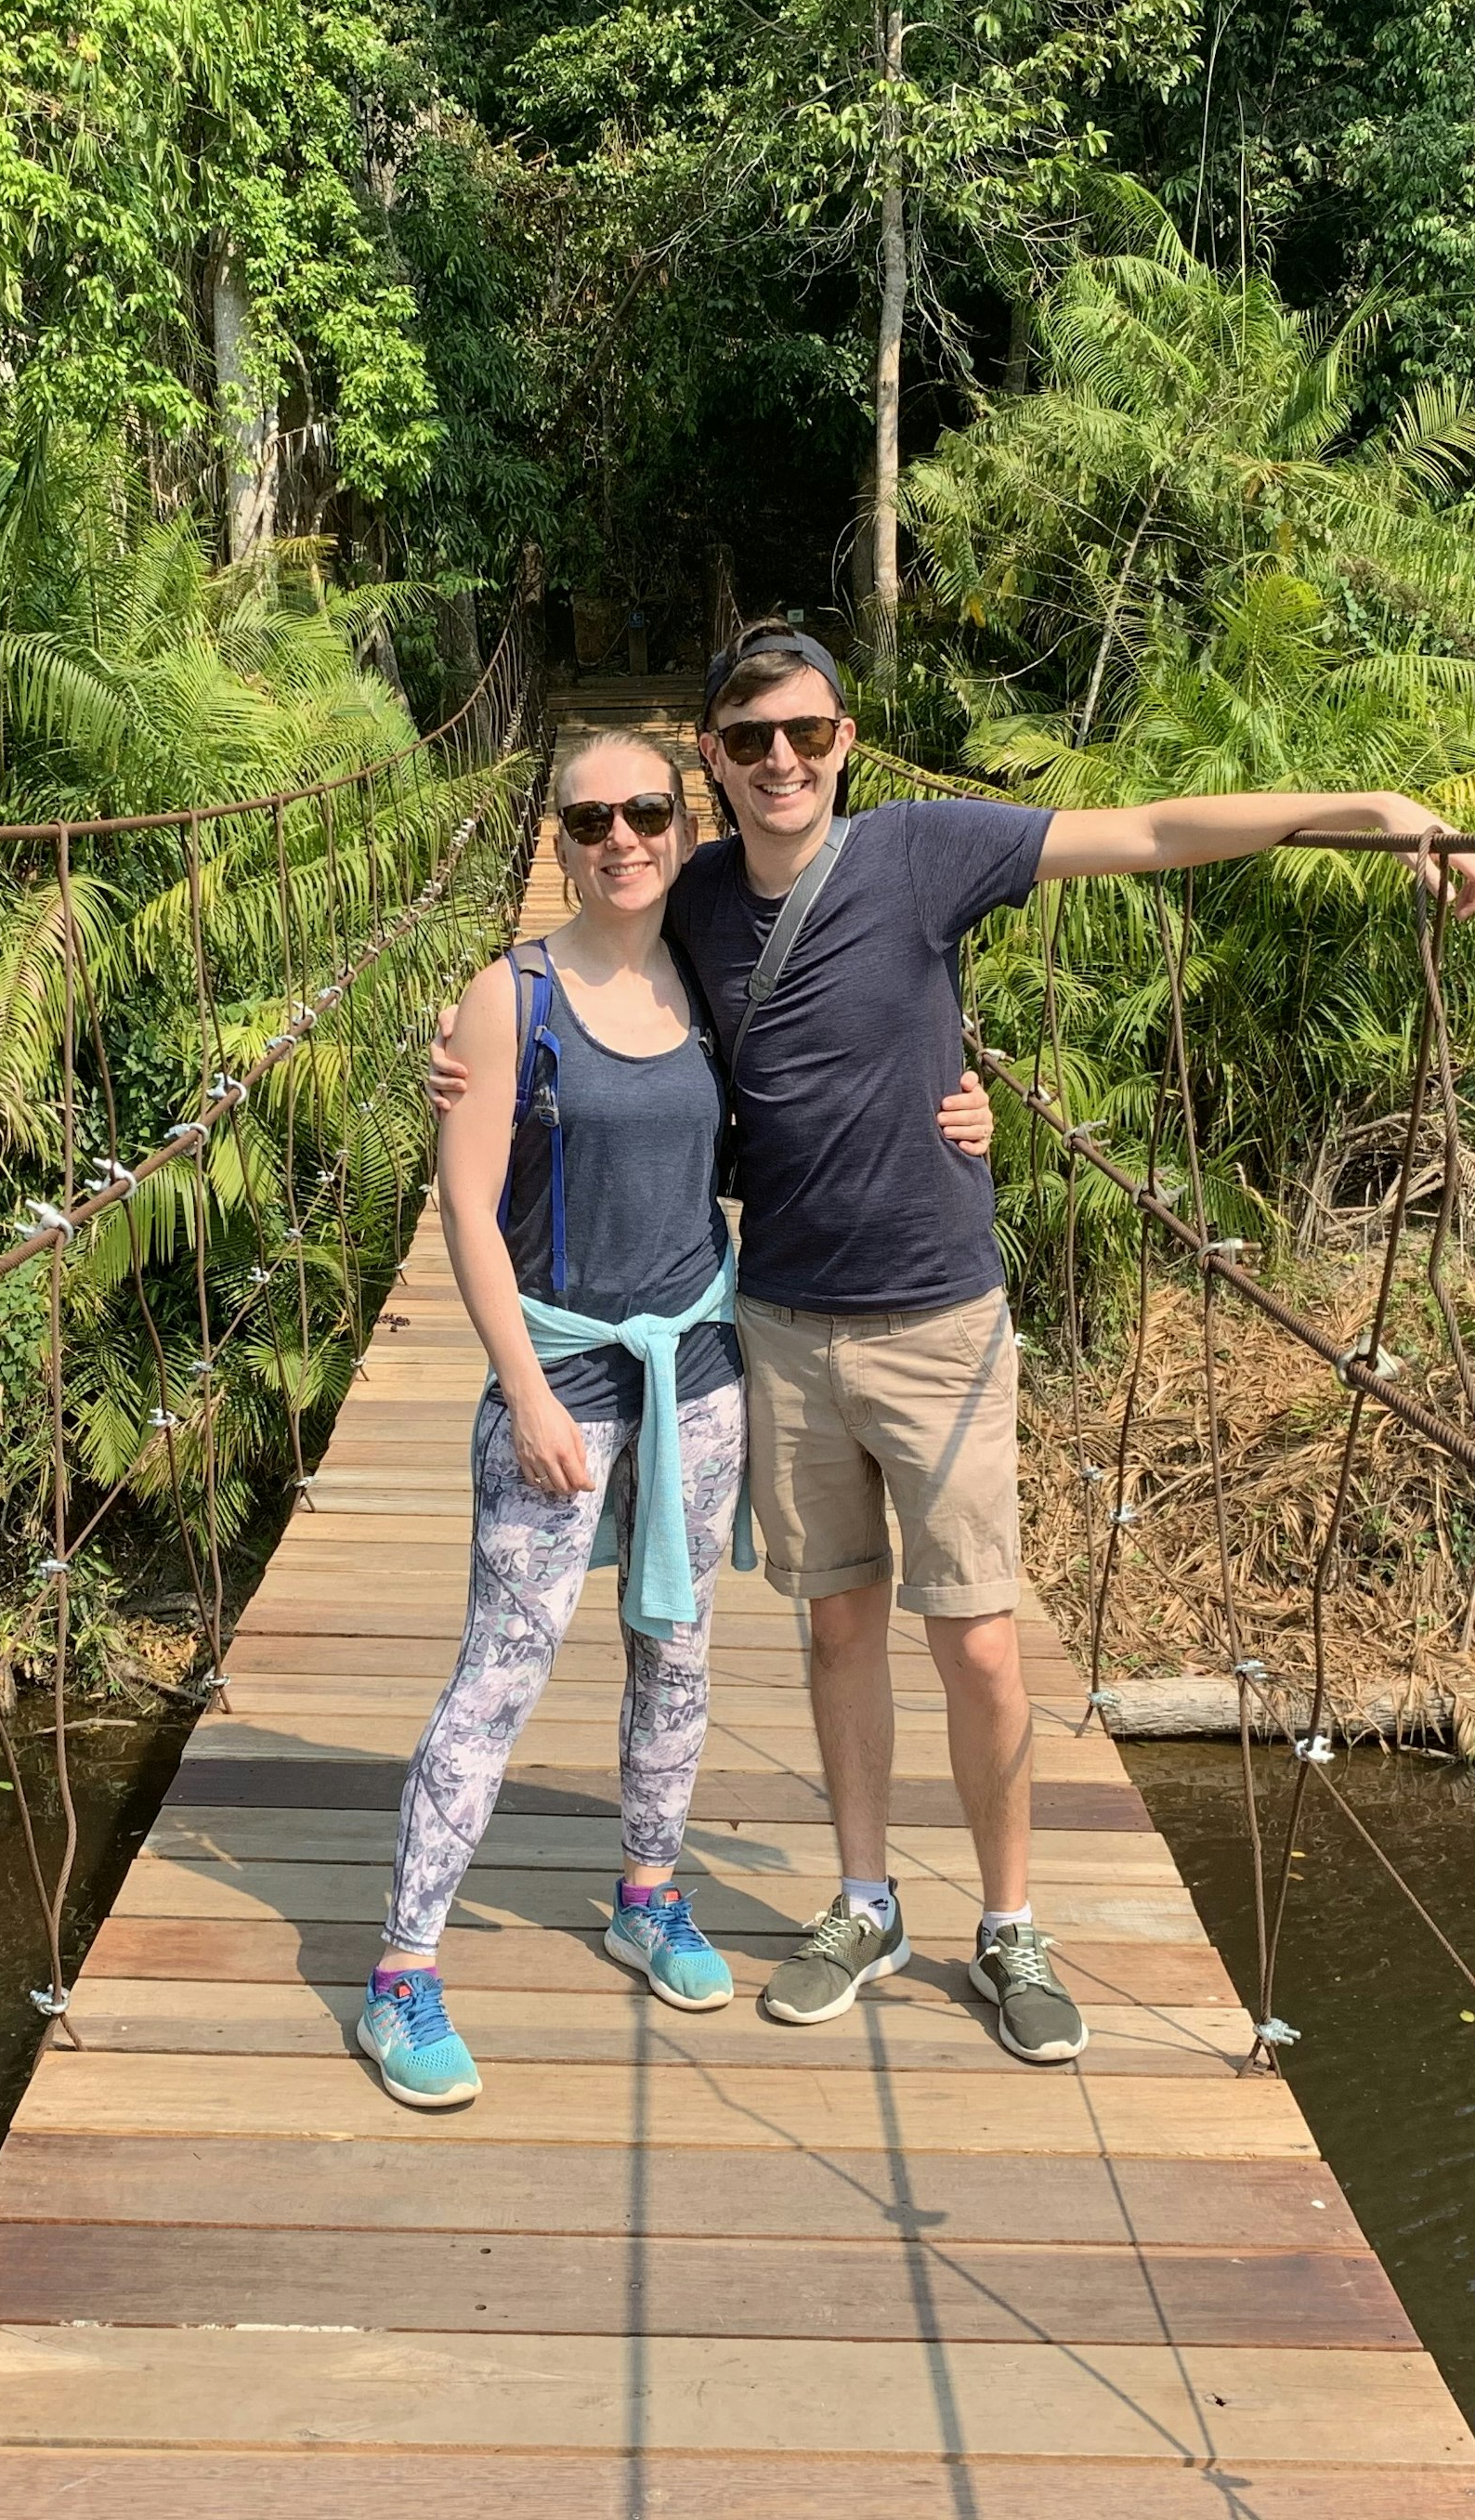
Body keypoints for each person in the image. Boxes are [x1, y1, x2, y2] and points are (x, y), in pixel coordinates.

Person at [437, 625, 1475, 2067]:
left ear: (845, 739)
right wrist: (460, 1045)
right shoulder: (683, 898)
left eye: (805, 734)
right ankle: (865, 1902)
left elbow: (1155, 831)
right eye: (748, 744)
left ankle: (1007, 1925)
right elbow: (583, 990)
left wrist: (1369, 814)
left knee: (982, 1642)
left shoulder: (924, 852)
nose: (781, 762)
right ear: (715, 765)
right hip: (783, 1322)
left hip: (936, 1314)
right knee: (836, 1627)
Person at [355, 729, 999, 2109]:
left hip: (701, 1361)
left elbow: (836, 1059)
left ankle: (648, 1891)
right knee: (503, 1671)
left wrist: (963, 1105)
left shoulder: (710, 969)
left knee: (679, 1645)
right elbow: (466, 1207)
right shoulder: (508, 995)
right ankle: (402, 1972)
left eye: (647, 811)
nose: (623, 840)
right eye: (590, 822)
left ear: (678, 820)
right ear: (558, 841)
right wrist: (523, 1388)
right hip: (569, 1364)